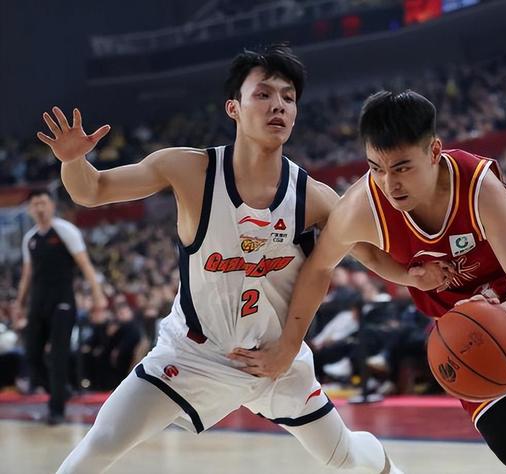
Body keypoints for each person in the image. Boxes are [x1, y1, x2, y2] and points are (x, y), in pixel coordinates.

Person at [38, 45, 404, 473]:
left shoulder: (314, 196)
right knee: (102, 441)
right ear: (234, 107)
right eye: (263, 94)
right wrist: (73, 161)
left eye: (288, 97)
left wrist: (418, 275)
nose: (279, 105)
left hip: (276, 359)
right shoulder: (188, 170)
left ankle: (388, 466)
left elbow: (370, 254)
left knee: (345, 457)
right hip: (193, 354)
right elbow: (92, 190)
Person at [236, 90, 506, 473]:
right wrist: (291, 344)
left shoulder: (479, 188)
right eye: (376, 168)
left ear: (434, 151)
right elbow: (323, 266)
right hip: (459, 330)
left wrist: (498, 317)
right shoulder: (362, 207)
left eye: (402, 167)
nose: (390, 184)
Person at [13, 189, 107, 425]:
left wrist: (98, 296)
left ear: (52, 205)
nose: (40, 208)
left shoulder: (66, 230)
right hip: (38, 302)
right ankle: (60, 391)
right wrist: (19, 304)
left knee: (58, 355)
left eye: (43, 203)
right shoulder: (30, 239)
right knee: (32, 354)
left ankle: (57, 409)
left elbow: (85, 264)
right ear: (30, 210)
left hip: (62, 301)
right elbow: (27, 275)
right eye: (35, 204)